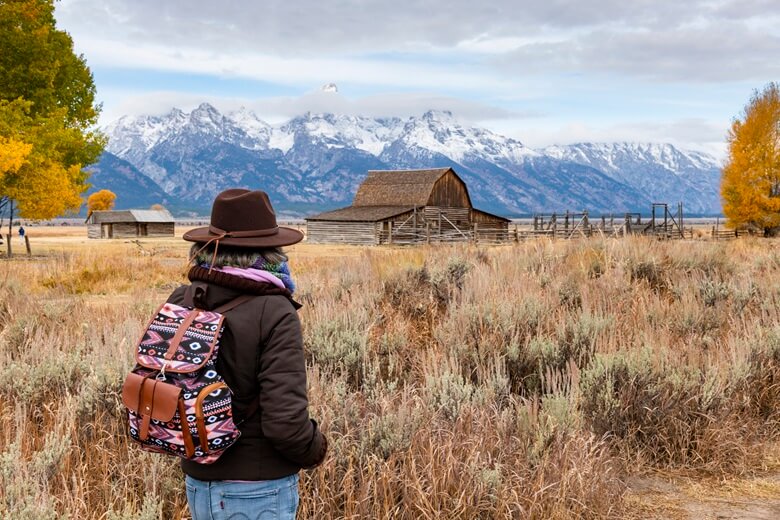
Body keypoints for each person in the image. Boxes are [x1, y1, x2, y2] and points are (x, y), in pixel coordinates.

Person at [169, 188, 327, 520]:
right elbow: (286, 425)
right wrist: (316, 447)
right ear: (271, 252)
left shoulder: (184, 299)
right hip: (259, 487)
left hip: (199, 480)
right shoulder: (274, 310)